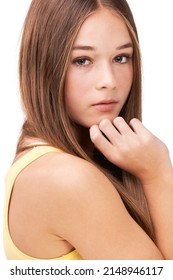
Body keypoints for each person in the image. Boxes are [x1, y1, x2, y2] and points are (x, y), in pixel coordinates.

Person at [3, 0, 173, 260]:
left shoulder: (43, 157)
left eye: (120, 58)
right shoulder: (68, 179)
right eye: (82, 60)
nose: (109, 81)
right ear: (44, 65)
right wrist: (159, 174)